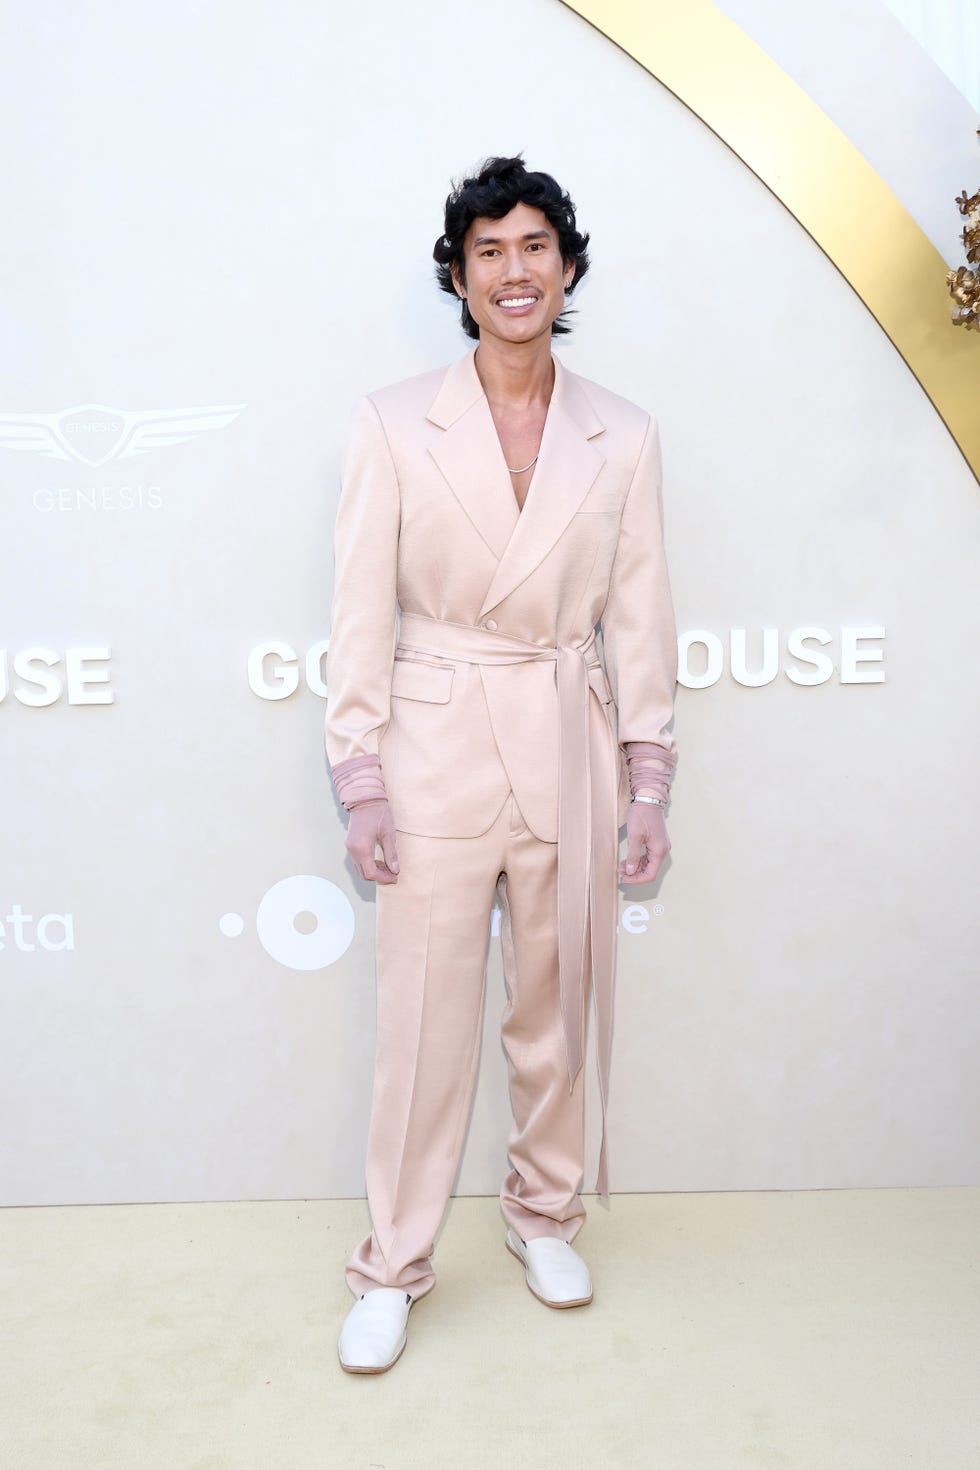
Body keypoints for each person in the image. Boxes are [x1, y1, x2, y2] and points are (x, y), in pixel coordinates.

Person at [324, 155, 678, 1374]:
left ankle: (542, 1214)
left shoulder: (620, 434)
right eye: (489, 251)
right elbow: (358, 609)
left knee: (554, 1008)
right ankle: (391, 1265)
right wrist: (360, 774)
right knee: (422, 1023)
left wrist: (648, 781)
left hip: (564, 736)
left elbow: (641, 619)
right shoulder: (390, 420)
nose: (513, 270)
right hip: (431, 742)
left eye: (534, 246)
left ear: (565, 267)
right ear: (460, 277)